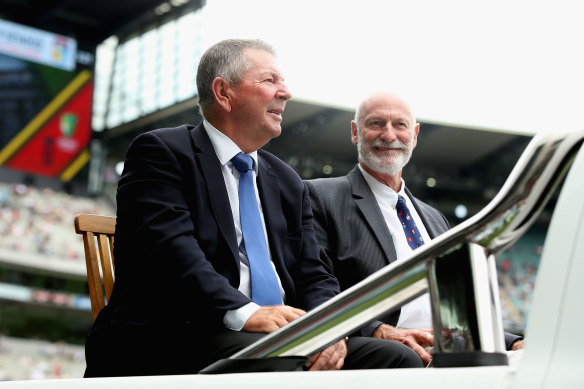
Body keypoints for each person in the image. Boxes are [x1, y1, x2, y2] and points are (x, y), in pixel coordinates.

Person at [84, 40, 422, 378]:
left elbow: (314, 274)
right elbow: (171, 253)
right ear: (223, 92)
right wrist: (244, 312)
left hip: (277, 335)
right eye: (270, 80)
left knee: (395, 359)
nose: (286, 92)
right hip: (180, 332)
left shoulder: (287, 181)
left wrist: (327, 328)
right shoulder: (162, 152)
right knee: (286, 363)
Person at [305, 92, 525, 366]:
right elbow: (314, 285)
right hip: (385, 347)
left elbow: (457, 306)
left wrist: (512, 341)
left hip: (440, 347)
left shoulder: (435, 219)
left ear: (415, 134)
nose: (388, 135)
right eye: (376, 123)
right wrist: (378, 329)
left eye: (400, 124)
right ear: (354, 132)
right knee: (405, 356)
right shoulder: (320, 196)